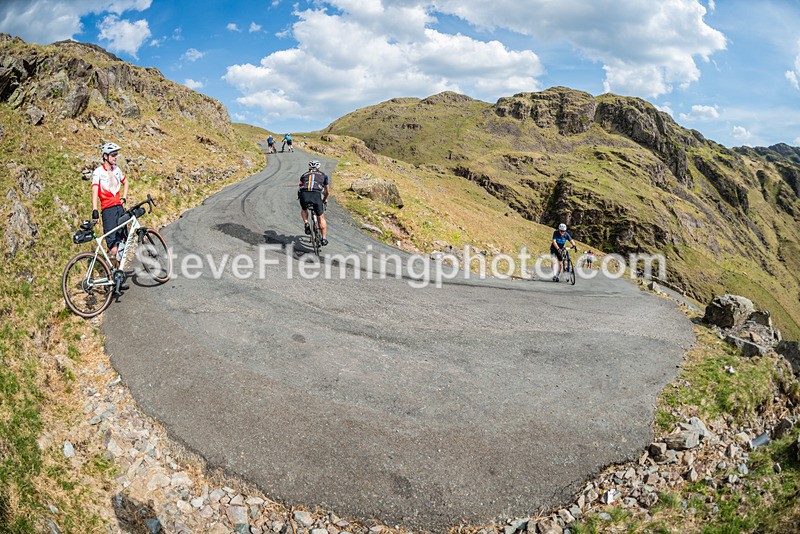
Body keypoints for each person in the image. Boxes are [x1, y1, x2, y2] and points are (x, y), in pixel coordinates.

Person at [91, 142, 129, 290]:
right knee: (113, 247)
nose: (116, 157)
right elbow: (95, 192)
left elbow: (126, 183)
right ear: (105, 156)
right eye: (113, 155)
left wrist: (124, 198)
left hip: (119, 209)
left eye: (117, 154)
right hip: (108, 211)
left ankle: (118, 278)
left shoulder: (117, 169)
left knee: (123, 243)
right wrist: (95, 210)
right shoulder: (98, 172)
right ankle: (108, 280)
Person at [298, 160, 330, 246]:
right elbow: (327, 192)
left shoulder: (303, 175)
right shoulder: (323, 175)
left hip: (304, 194)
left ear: (309, 168)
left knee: (304, 209)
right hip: (316, 195)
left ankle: (306, 223)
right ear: (318, 168)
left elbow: (300, 187)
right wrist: (325, 199)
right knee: (321, 217)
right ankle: (324, 238)